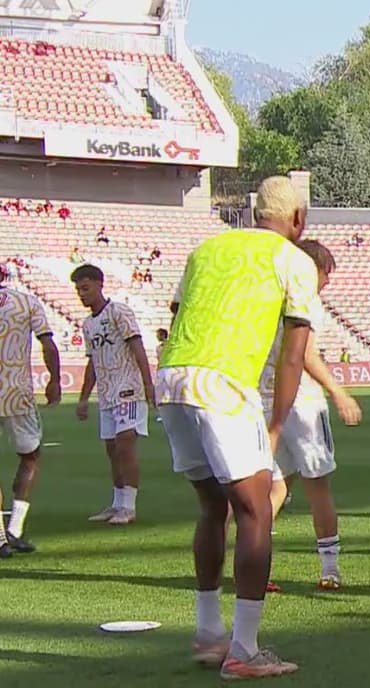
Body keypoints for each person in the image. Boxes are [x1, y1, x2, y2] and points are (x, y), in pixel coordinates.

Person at [158, 175, 317, 679]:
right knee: (255, 510)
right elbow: (293, 355)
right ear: (297, 220)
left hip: (173, 377)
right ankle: (243, 650)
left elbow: (178, 317)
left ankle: (209, 633)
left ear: (254, 214)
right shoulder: (294, 259)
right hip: (224, 384)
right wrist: (276, 425)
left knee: (212, 507)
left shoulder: (206, 249)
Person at [261, 238, 362, 591]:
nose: (327, 281)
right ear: (311, 269)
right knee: (317, 487)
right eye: (326, 272)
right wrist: (338, 392)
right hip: (302, 402)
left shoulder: (266, 299)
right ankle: (330, 570)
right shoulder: (305, 300)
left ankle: (258, 569)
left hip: (266, 401)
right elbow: (304, 354)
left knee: (274, 490)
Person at [71, 263, 156, 526]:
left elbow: (137, 346)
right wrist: (83, 398)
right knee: (112, 449)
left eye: (86, 288)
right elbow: (92, 362)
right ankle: (117, 503)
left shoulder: (119, 311)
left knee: (125, 445)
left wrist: (148, 383)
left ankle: (129, 507)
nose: (82, 294)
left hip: (128, 388)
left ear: (99, 284)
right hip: (107, 394)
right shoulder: (88, 324)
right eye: (78, 290)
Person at [0, 266, 60, 556]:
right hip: (17, 392)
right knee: (30, 456)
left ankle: (1, 538)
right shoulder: (26, 302)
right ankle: (14, 528)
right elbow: (47, 343)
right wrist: (55, 379)